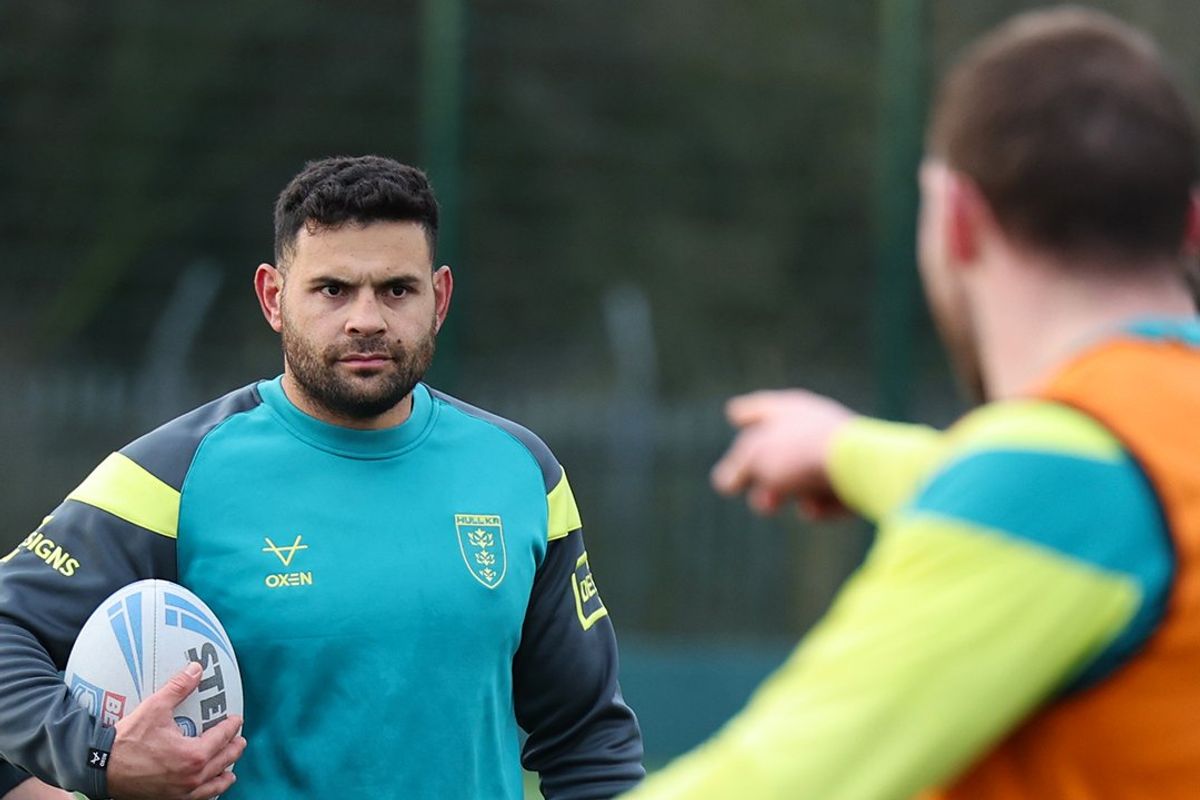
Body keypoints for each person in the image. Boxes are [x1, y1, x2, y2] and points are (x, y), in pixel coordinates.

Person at [622, 8, 1200, 799]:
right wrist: (845, 449)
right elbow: (1098, 497)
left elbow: (772, 782)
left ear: (958, 219)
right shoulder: (1141, 452)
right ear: (1191, 222)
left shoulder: (1058, 481)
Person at [0, 155, 644, 800]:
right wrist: (99, 755)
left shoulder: (522, 474)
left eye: (397, 290)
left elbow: (588, 737)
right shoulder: (171, 476)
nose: (367, 319)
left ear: (440, 299)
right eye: (333, 289)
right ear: (273, 298)